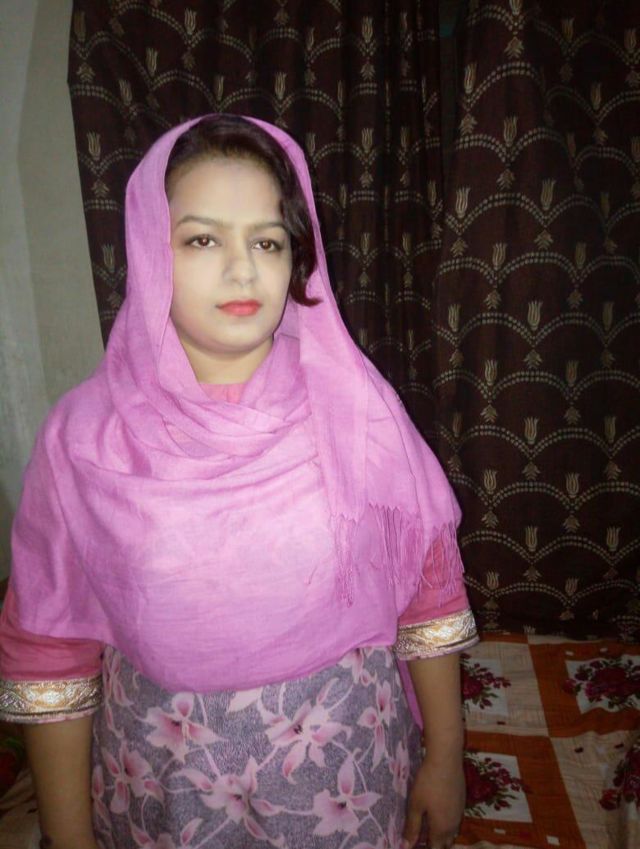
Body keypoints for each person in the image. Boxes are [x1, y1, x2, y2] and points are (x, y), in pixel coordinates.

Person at [0, 115, 478, 849]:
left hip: (344, 778)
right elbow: (50, 652)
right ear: (149, 252)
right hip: (165, 786)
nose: (243, 270)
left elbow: (427, 592)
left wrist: (445, 757)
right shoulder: (85, 439)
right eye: (202, 240)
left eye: (267, 241)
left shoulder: (357, 410)